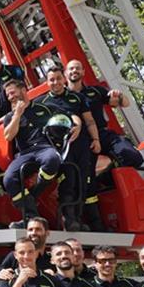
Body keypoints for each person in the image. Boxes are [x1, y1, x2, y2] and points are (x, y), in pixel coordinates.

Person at [33, 65, 94, 231]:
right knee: (68, 181)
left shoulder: (77, 98)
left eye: (58, 78)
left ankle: (79, 219)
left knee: (82, 181)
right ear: (47, 82)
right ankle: (69, 219)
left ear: (64, 79)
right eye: (51, 79)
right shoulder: (40, 102)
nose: (55, 82)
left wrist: (96, 139)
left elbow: (89, 120)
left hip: (81, 144)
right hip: (59, 148)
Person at [0, 79, 61, 228]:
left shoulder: (44, 108)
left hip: (44, 148)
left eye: (12, 92)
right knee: (8, 179)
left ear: (23, 90)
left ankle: (33, 194)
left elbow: (64, 120)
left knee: (53, 159)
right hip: (25, 153)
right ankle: (31, 216)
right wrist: (17, 115)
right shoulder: (10, 116)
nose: (10, 97)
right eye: (8, 95)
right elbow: (8, 136)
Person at [65, 59, 143, 168]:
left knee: (133, 156)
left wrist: (119, 95)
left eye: (78, 68)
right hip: (81, 140)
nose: (74, 70)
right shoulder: (62, 98)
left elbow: (125, 103)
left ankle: (114, 165)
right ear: (65, 73)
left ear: (83, 72)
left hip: (103, 134)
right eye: (71, 68)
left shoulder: (95, 91)